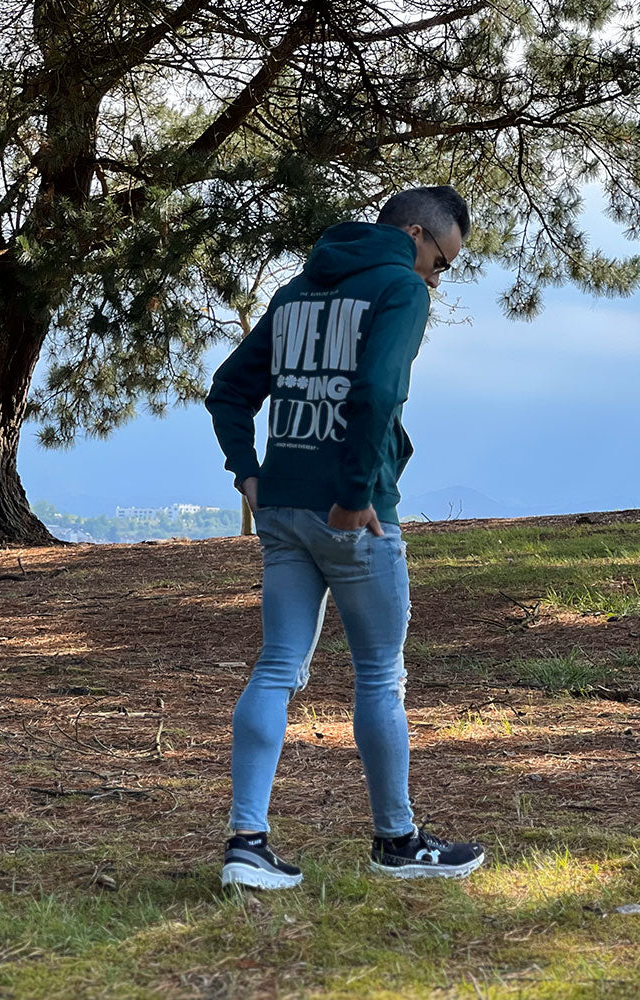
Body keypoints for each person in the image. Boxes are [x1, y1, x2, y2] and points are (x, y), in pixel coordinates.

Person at [205, 186, 485, 890]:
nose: (436, 279)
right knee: (380, 675)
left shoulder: (297, 290)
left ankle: (247, 843)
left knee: (277, 667)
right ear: (416, 235)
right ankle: (397, 840)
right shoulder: (399, 289)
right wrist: (357, 496)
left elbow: (229, 388)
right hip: (353, 515)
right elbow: (378, 393)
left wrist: (248, 473)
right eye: (442, 262)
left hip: (283, 508)